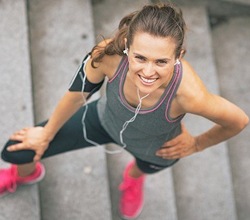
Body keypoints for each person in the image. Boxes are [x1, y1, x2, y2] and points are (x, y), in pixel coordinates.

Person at [0, 3, 248, 219]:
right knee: (18, 150)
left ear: (178, 56)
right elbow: (77, 96)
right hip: (102, 120)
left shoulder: (189, 94)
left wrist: (197, 144)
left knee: (142, 166)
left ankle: (133, 177)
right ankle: (26, 175)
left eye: (161, 61)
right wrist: (46, 134)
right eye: (140, 57)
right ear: (128, 45)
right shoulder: (108, 55)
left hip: (155, 149)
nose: (148, 72)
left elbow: (238, 120)